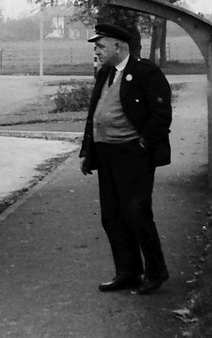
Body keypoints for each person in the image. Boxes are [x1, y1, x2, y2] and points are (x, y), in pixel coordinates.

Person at [79, 22, 173, 295]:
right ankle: (128, 272)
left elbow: (161, 114)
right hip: (106, 154)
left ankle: (156, 272)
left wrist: (144, 145)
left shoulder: (145, 72)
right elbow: (94, 114)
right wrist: (87, 152)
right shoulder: (105, 74)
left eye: (100, 46)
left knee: (137, 214)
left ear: (118, 46)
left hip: (132, 155)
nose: (97, 51)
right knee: (112, 216)